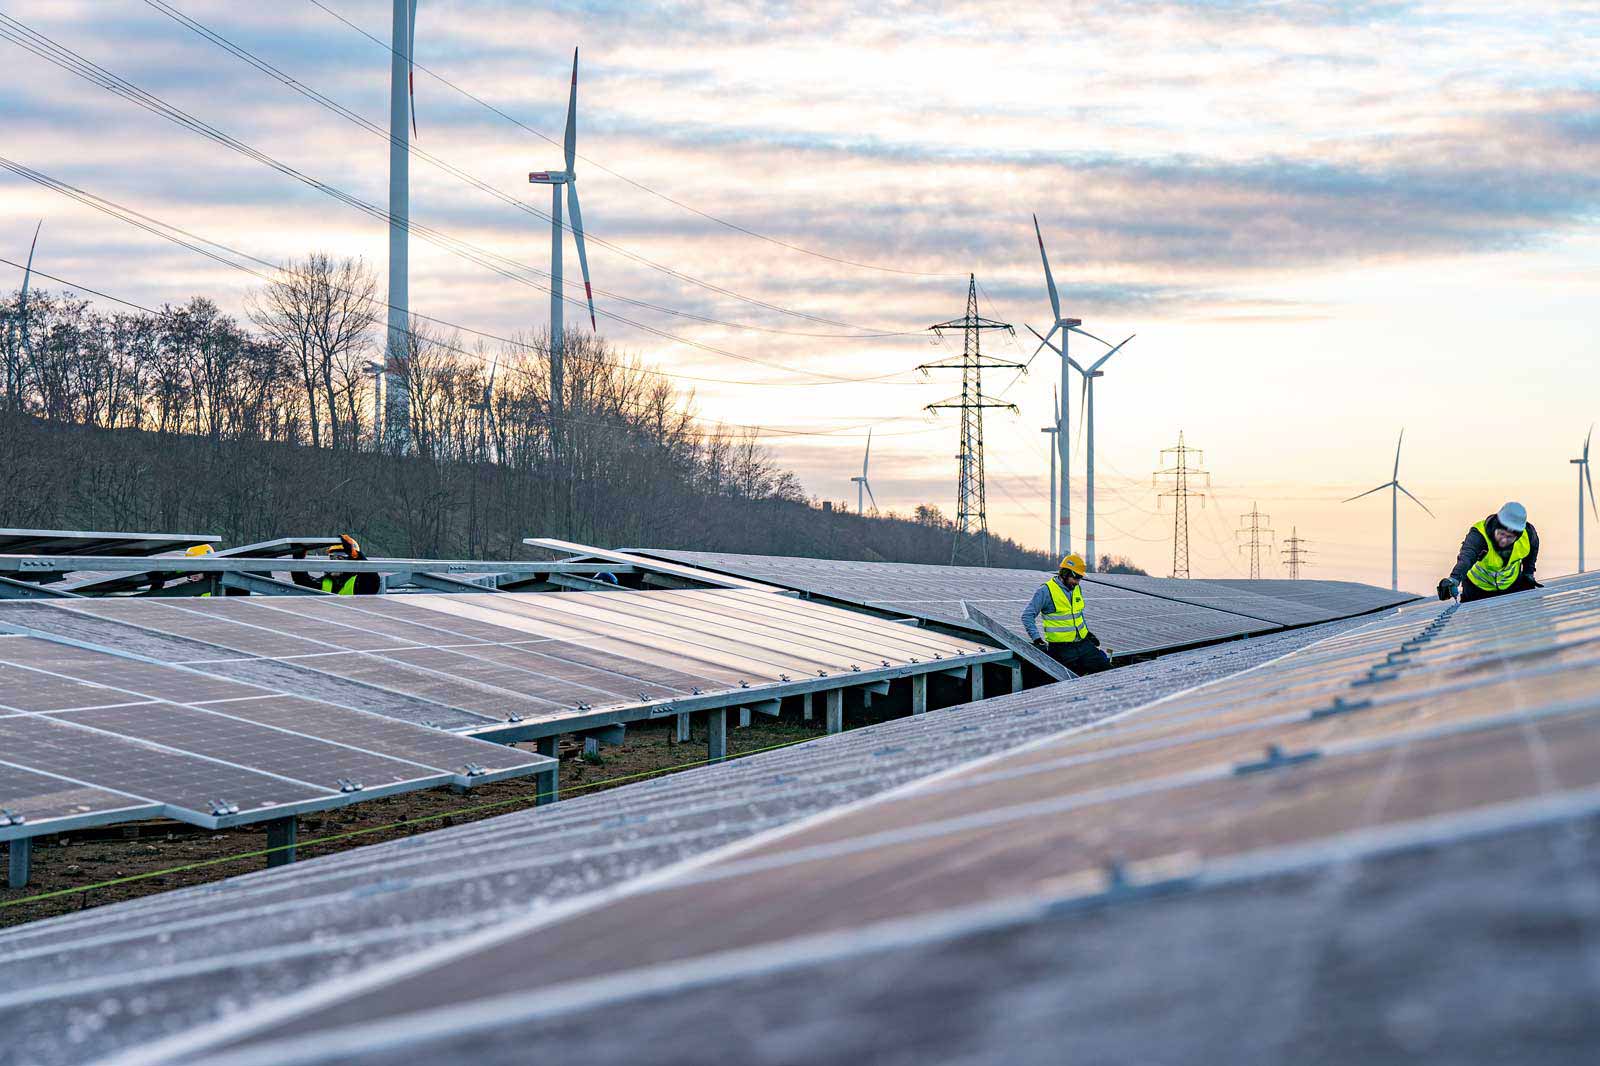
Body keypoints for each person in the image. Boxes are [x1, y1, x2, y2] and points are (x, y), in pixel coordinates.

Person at [1021, 553, 1113, 675]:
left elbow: (1078, 614)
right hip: (1062, 650)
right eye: (1075, 578)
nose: (1077, 582)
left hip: (1083, 644)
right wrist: (1037, 639)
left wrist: (1087, 633)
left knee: (1108, 671)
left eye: (1080, 578)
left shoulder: (1076, 589)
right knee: (1069, 681)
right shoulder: (1046, 591)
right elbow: (1027, 616)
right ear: (1065, 574)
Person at [1438, 501, 1541, 603]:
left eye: (1510, 537)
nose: (1504, 540)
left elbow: (1532, 552)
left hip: (1511, 585)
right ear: (1496, 526)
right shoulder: (1479, 535)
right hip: (1477, 589)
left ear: (1517, 536)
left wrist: (1528, 573)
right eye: (1501, 534)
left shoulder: (1528, 535)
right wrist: (1454, 579)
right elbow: (1466, 558)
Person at [291, 534, 380, 595]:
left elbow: (373, 579)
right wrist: (298, 560)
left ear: (351, 559)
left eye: (340, 558)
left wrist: (357, 556)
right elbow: (301, 581)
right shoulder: (325, 582)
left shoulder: (360, 582)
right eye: (332, 558)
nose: (334, 562)